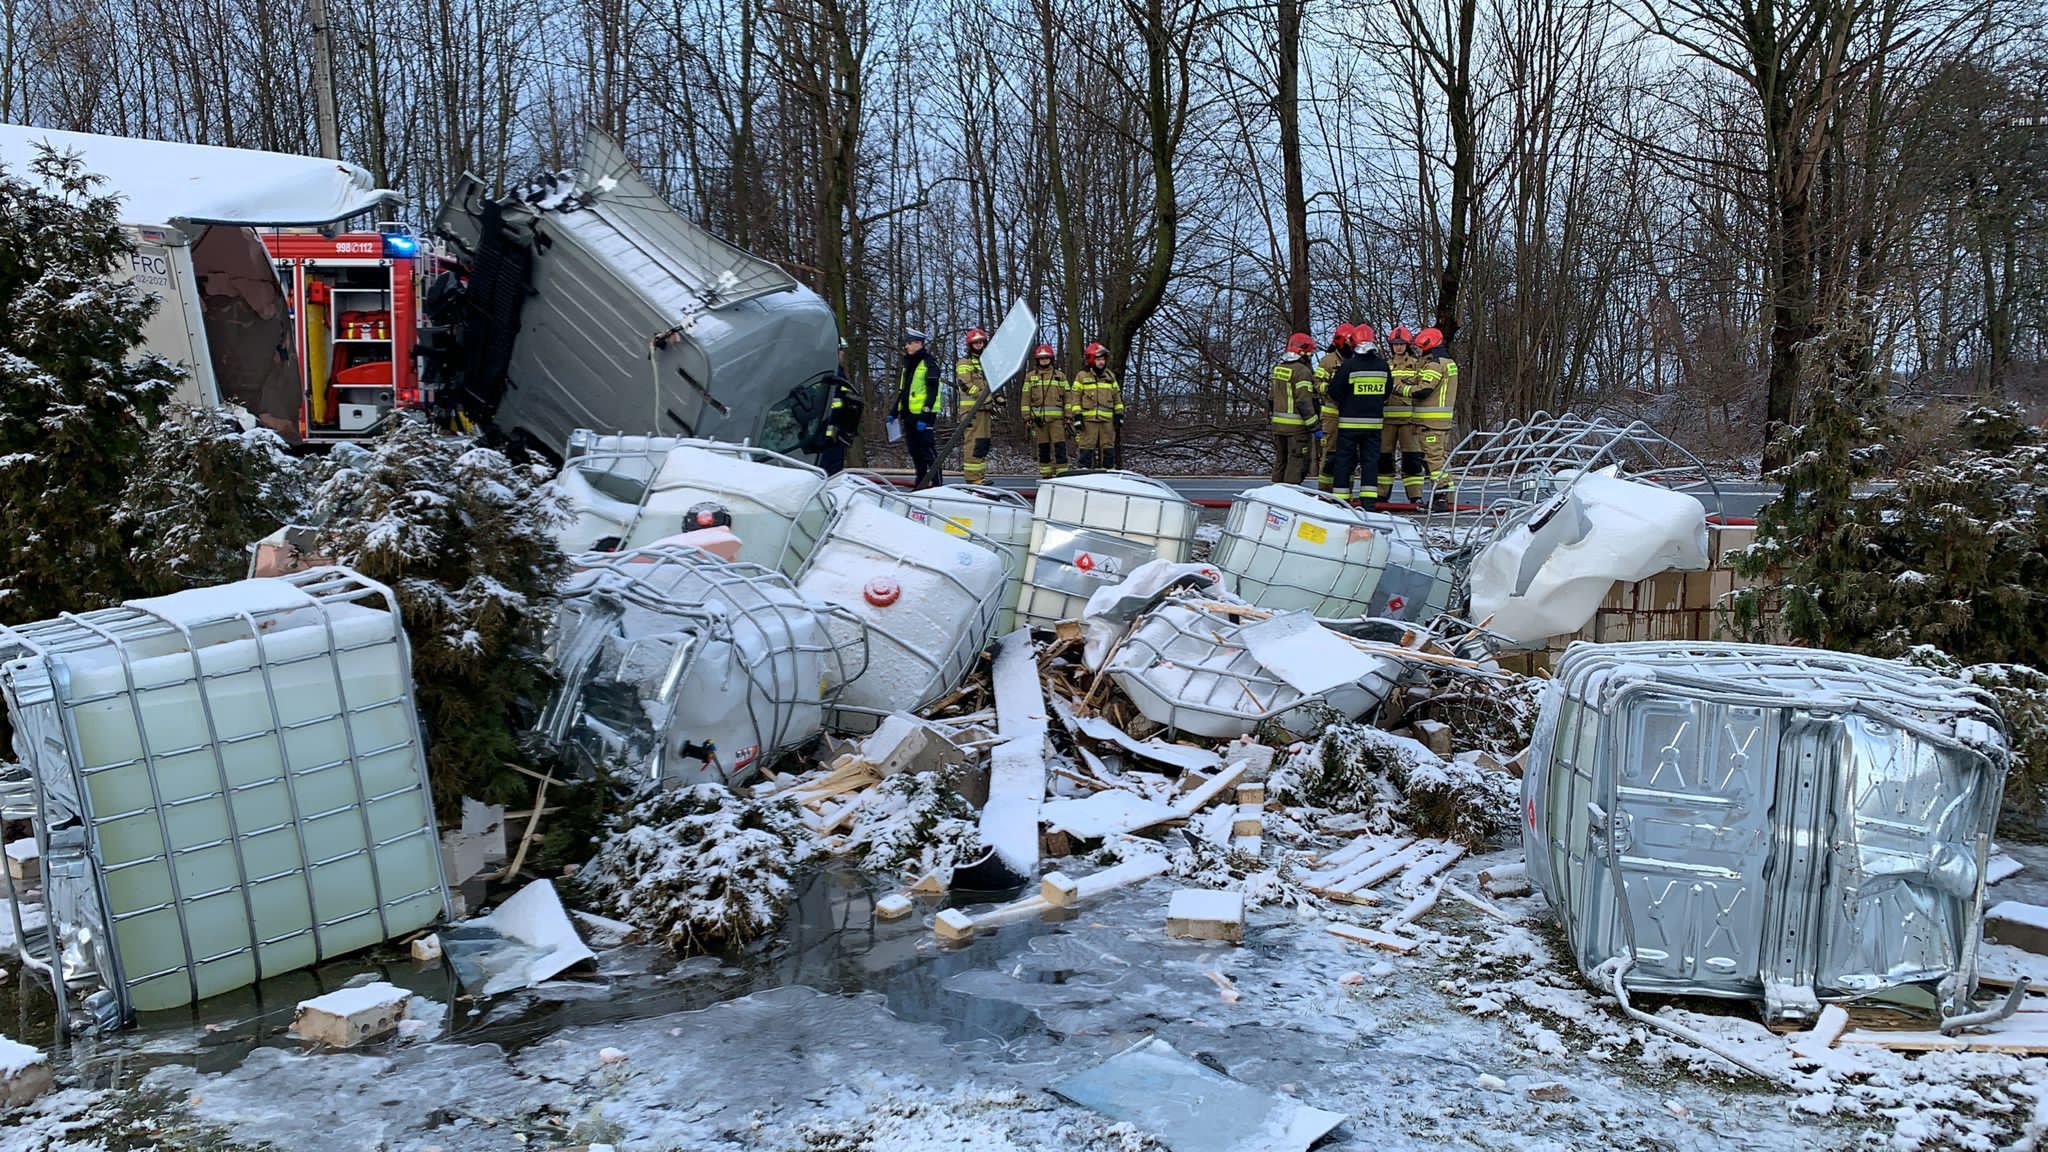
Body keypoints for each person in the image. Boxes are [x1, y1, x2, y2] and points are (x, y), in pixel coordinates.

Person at [1324, 325, 1389, 506]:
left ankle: (1340, 501)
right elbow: (1387, 393)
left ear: (1354, 343)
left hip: (1349, 425)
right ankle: (1368, 502)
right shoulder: (1383, 366)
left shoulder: (1348, 366)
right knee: (1370, 463)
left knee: (1344, 461)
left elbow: (1335, 392)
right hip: (1373, 425)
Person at [1411, 326, 1459, 508]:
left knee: (1434, 460)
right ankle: (1448, 498)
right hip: (1441, 420)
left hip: (1431, 422)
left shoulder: (1435, 364)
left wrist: (1401, 389)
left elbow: (1424, 390)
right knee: (1441, 459)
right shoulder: (1448, 362)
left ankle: (1440, 499)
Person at [896, 327, 942, 488]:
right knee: (915, 452)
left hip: (923, 416)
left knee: (927, 451)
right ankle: (920, 482)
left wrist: (925, 414)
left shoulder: (929, 363)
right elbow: (904, 390)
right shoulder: (908, 363)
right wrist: (894, 411)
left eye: (909, 343)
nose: (906, 346)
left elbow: (932, 391)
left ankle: (937, 484)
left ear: (918, 343)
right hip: (909, 415)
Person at [1270, 333, 1318, 484]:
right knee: (1297, 464)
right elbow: (1304, 402)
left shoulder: (1278, 368)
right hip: (1296, 429)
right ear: (1303, 352)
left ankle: (1274, 494)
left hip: (1278, 426)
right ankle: (1289, 497)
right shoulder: (1302, 372)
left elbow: (1271, 398)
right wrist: (1315, 426)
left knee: (1281, 462)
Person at [1382, 325, 1422, 503]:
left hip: (1409, 420)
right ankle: (1381, 494)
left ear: (1408, 344)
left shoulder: (1417, 365)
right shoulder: (1385, 366)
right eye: (1395, 343)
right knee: (1383, 458)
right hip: (1386, 420)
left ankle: (1415, 496)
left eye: (1401, 343)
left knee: (1412, 458)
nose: (1398, 347)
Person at [1314, 323, 1354, 491]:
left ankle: (1346, 490)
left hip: (1352, 413)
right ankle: (1324, 490)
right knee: (1330, 454)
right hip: (1332, 415)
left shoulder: (1356, 360)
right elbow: (1316, 383)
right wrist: (1331, 390)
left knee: (1350, 454)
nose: (1352, 346)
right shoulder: (1328, 361)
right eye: (1349, 342)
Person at [1071, 341, 1123, 469]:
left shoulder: (1110, 376)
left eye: (1103, 359)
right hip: (1088, 421)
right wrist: (1077, 417)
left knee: (1108, 448)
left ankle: (1108, 474)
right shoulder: (1082, 376)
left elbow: (1117, 397)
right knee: (1086, 448)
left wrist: (1119, 415)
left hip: (1107, 421)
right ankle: (1084, 474)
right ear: (1091, 359)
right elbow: (1075, 398)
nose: (1101, 362)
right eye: (1098, 359)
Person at [813, 342, 863, 476]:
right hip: (832, 433)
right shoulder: (834, 374)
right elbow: (839, 402)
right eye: (841, 350)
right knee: (830, 472)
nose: (843, 354)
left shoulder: (824, 372)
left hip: (828, 433)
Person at [1021, 343, 1070, 478]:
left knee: (1060, 447)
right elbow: (1025, 398)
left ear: (1051, 359)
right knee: (1043, 448)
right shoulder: (1030, 377)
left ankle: (1062, 474)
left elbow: (1068, 398)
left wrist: (1068, 417)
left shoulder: (1060, 376)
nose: (1044, 361)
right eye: (1042, 358)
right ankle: (1046, 475)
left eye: (1046, 358)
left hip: (1057, 421)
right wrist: (1026, 417)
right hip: (1039, 421)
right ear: (1037, 360)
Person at [956, 327, 993, 484]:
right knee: (973, 443)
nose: (979, 345)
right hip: (971, 411)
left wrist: (997, 397)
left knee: (983, 443)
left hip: (984, 410)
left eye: (981, 342)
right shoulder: (964, 363)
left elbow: (992, 384)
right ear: (970, 345)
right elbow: (966, 384)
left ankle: (979, 475)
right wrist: (983, 397)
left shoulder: (987, 363)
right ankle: (972, 477)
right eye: (975, 342)